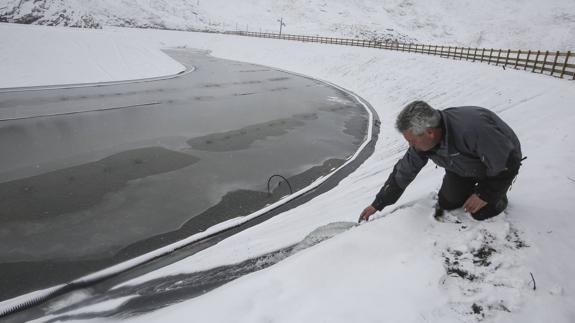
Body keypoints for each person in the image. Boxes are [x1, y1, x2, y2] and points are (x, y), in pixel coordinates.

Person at [358, 101, 522, 223]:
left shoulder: (473, 129)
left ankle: (499, 198)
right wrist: (378, 204)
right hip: (461, 167)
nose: (411, 146)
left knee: (481, 212)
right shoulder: (424, 142)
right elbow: (404, 171)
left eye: (412, 141)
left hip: (497, 166)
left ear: (429, 132)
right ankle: (472, 188)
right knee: (448, 202)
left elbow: (507, 162)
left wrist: (486, 194)